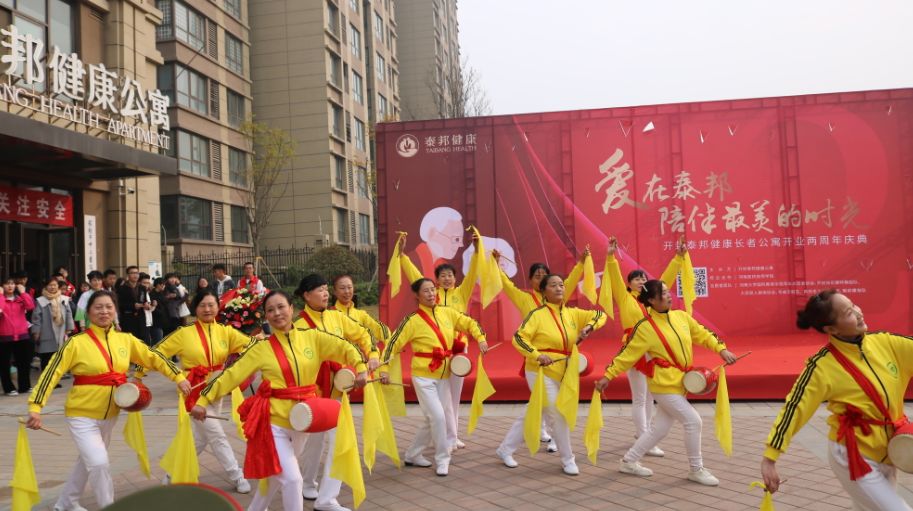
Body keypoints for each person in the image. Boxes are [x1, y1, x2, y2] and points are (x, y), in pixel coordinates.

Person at [192, 290, 368, 511]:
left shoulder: (313, 337)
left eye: (281, 307)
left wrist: (361, 367)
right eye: (270, 310)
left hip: (304, 421)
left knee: (276, 476)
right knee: (293, 480)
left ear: (292, 309)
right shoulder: (261, 349)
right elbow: (230, 376)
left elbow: (346, 347)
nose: (277, 313)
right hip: (274, 424)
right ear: (266, 316)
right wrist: (202, 400)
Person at [26, 290, 190, 510]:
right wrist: (35, 407)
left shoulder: (125, 340)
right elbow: (50, 374)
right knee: (99, 462)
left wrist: (178, 376)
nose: (104, 311)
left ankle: (66, 503)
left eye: (108, 307)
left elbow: (154, 357)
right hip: (81, 414)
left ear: (115, 311)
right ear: (88, 312)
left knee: (89, 461)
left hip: (110, 414)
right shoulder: (75, 343)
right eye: (98, 307)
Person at [760, 290, 913, 510]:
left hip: (889, 452)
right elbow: (794, 409)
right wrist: (770, 457)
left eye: (854, 305)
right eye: (848, 312)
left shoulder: (886, 343)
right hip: (854, 457)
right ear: (831, 329)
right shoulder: (821, 367)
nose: (858, 313)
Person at [594, 279, 737, 486]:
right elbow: (626, 355)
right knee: (693, 421)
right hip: (663, 386)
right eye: (662, 292)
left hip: (680, 383)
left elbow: (704, 334)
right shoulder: (645, 328)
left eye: (667, 291)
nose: (668, 294)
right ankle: (696, 469)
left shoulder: (681, 317)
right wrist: (608, 376)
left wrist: (721, 349)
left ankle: (629, 461)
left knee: (659, 429)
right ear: (651, 300)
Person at [137, 290, 253, 494]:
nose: (207, 309)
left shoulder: (226, 332)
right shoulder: (183, 334)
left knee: (200, 438)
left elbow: (253, 346)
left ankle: (173, 473)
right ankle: (237, 475)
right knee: (216, 434)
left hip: (218, 389)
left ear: (218, 306)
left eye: (211, 305)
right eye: (202, 305)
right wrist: (138, 375)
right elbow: (155, 354)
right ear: (195, 308)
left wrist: (272, 342)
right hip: (193, 390)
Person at [496, 274, 607, 475]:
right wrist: (537, 355)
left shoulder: (573, 313)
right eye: (553, 285)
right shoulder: (537, 315)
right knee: (558, 414)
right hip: (540, 371)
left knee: (533, 411)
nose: (559, 288)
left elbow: (600, 315)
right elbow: (519, 338)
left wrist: (589, 327)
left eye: (561, 285)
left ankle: (505, 449)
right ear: (543, 290)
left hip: (564, 372)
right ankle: (568, 459)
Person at [381, 278, 489, 477]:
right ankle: (442, 458)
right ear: (417, 295)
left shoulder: (447, 312)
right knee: (438, 417)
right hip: (423, 377)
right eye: (426, 291)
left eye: (433, 290)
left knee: (431, 418)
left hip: (444, 376)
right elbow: (392, 344)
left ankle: (413, 454)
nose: (431, 294)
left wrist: (480, 338)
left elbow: (470, 323)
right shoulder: (411, 320)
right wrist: (384, 368)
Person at [294, 274, 379, 511]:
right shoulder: (298, 327)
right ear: (306, 295)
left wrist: (372, 355)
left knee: (340, 443)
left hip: (338, 392)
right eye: (319, 290)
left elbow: (363, 334)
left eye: (325, 289)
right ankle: (307, 483)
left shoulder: (336, 317)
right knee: (313, 442)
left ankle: (327, 499)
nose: (325, 294)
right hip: (313, 394)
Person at [492, 247, 588, 453]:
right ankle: (555, 440)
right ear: (530, 280)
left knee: (542, 403)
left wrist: (581, 263)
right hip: (537, 356)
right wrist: (496, 265)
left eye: (545, 275)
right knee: (549, 403)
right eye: (537, 276)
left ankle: (514, 444)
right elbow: (506, 284)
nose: (542, 279)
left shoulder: (557, 297)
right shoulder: (525, 298)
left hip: (559, 361)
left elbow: (570, 281)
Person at [603, 236, 688, 457]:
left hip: (653, 348)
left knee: (650, 395)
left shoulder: (652, 301)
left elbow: (666, 280)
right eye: (636, 278)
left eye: (643, 278)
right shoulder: (625, 298)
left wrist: (678, 258)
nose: (641, 281)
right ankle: (644, 438)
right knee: (640, 397)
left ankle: (645, 434)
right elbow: (614, 277)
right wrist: (611, 256)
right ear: (629, 283)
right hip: (634, 348)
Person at [399, 232, 482, 451]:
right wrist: (403, 257)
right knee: (442, 398)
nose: (447, 278)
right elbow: (415, 277)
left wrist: (476, 251)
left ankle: (452, 436)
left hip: (458, 349)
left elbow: (473, 273)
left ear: (455, 278)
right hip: (436, 351)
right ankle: (444, 436)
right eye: (442, 275)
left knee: (453, 397)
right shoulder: (431, 295)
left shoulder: (461, 293)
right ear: (436, 280)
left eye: (450, 275)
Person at [0, 276, 36, 395]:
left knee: (23, 363)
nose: (10, 286)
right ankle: (9, 388)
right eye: (7, 284)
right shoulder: (1, 299)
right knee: (4, 364)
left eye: (12, 283)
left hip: (22, 335)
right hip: (5, 336)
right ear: (2, 286)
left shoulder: (20, 299)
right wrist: (1, 296)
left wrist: (23, 293)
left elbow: (30, 306)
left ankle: (25, 386)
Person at [31, 277, 75, 373]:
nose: (52, 287)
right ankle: (46, 377)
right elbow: (36, 317)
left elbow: (69, 314)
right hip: (46, 332)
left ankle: (56, 377)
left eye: (54, 285)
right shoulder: (41, 300)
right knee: (46, 357)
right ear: (46, 287)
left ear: (58, 286)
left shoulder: (64, 299)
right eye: (50, 285)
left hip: (61, 330)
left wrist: (69, 328)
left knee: (59, 356)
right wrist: (36, 331)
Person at [117, 266, 147, 343]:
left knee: (141, 343)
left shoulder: (142, 288)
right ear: (128, 275)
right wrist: (133, 306)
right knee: (129, 342)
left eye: (137, 273)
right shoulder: (122, 288)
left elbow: (144, 300)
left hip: (141, 320)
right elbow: (120, 304)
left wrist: (146, 304)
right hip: (128, 319)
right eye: (132, 273)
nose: (135, 275)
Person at [149, 277, 170, 345]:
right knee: (157, 341)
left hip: (163, 321)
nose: (164, 286)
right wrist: (160, 312)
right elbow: (152, 308)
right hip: (156, 322)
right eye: (163, 284)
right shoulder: (151, 294)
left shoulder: (162, 293)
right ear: (158, 285)